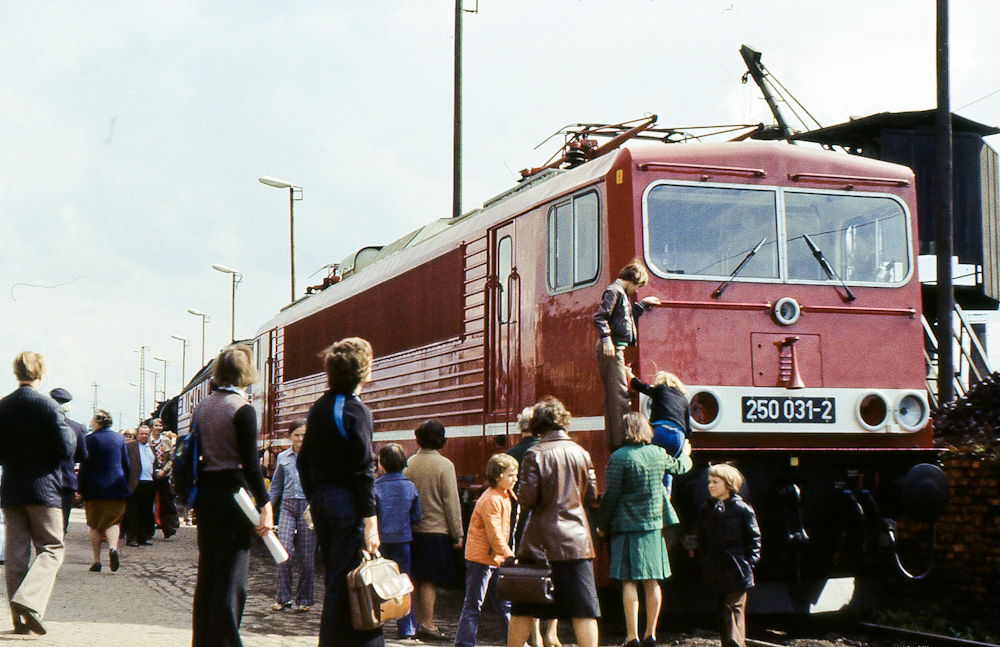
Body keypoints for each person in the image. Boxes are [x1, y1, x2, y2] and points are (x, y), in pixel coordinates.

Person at [297, 337, 381, 647]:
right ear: (364, 372)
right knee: (350, 584)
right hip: (347, 504)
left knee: (336, 578)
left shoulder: (318, 408)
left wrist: (315, 497)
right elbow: (363, 469)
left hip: (322, 500)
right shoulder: (356, 411)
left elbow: (304, 461)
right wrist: (370, 519)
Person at [190, 344, 273, 647]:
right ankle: (226, 641)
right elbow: (251, 465)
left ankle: (202, 641)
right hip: (234, 496)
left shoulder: (203, 407)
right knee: (232, 577)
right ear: (246, 372)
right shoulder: (242, 409)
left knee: (208, 575)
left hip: (206, 495)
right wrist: (265, 504)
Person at [506, 397, 600, 647]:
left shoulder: (534, 454)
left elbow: (527, 499)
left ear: (537, 424)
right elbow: (591, 496)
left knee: (523, 607)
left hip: (540, 542)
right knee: (585, 609)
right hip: (577, 542)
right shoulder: (581, 453)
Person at [595, 413, 693, 647]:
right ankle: (651, 634)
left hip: (625, 527)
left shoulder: (619, 457)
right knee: (652, 581)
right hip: (653, 526)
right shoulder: (658, 453)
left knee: (629, 582)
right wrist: (687, 455)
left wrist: (602, 527)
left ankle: (632, 637)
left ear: (626, 430)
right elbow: (680, 467)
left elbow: (611, 497)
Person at [0, 351, 76, 635]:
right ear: (40, 375)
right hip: (43, 488)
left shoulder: (3, 406)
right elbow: (65, 449)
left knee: (16, 554)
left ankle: (17, 621)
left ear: (16, 373)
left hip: (11, 488)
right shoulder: (49, 406)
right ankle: (28, 601)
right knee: (52, 547)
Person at [404, 419, 464, 642]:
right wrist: (457, 532)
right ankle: (428, 624)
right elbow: (451, 501)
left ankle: (418, 622)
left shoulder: (409, 463)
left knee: (417, 578)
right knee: (429, 580)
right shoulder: (445, 465)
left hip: (413, 530)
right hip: (436, 530)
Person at [505, 407, 559, 647]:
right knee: (553, 577)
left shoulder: (513, 453)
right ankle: (552, 633)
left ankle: (535, 635)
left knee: (532, 578)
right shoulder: (553, 452)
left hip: (525, 523)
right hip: (554, 523)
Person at [594, 259, 661, 449]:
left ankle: (619, 439)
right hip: (612, 347)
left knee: (617, 392)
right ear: (633, 280)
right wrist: (607, 340)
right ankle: (623, 441)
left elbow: (621, 318)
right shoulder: (614, 291)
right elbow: (600, 317)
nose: (636, 289)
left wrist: (640, 306)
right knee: (619, 393)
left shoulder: (619, 292)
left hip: (615, 346)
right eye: (638, 285)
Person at [455, 453, 518, 647]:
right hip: (482, 558)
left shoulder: (505, 495)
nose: (515, 479)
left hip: (495, 557)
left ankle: (515, 641)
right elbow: (494, 533)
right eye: (511, 475)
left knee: (504, 603)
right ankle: (464, 643)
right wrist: (509, 554)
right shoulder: (492, 499)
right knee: (474, 603)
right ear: (498, 476)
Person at [696, 464, 761, 647]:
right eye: (710, 482)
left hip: (738, 568)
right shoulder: (706, 509)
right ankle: (728, 642)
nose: (710, 485)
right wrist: (705, 557)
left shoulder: (742, 509)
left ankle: (735, 643)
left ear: (729, 485)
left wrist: (750, 562)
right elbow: (701, 536)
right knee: (722, 607)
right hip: (716, 568)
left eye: (715, 482)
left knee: (734, 607)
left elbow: (754, 538)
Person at [374, 443, 421, 641]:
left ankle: (376, 625)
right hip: (402, 540)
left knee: (377, 583)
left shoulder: (375, 487)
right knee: (403, 581)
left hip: (380, 541)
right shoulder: (409, 486)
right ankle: (407, 628)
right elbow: (417, 516)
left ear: (381, 465)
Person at [269, 418, 316, 613]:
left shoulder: (316, 457)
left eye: (304, 435)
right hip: (287, 506)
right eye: (296, 435)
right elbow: (275, 487)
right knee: (284, 551)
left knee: (306, 556)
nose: (300, 439)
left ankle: (304, 599)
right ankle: (283, 597)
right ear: (290, 436)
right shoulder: (283, 458)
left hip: (308, 508)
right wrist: (267, 509)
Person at [77, 409, 131, 573]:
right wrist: (125, 483)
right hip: (116, 486)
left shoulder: (90, 440)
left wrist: (80, 488)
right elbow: (126, 465)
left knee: (95, 524)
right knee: (113, 521)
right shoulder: (119, 438)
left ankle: (96, 560)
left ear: (98, 422)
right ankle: (113, 548)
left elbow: (84, 467)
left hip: (95, 488)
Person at [49, 388, 88, 535]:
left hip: (44, 479)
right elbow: (82, 456)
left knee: (45, 522)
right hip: (65, 480)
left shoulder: (40, 424)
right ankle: (58, 551)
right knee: (62, 520)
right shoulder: (76, 427)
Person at [124, 423, 156, 546]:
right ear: (137, 434)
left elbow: (154, 462)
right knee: (133, 511)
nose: (144, 436)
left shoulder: (150, 447)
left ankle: (143, 537)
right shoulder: (130, 446)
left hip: (149, 482)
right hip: (135, 482)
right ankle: (131, 538)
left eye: (146, 434)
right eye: (141, 434)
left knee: (146, 511)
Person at [148, 418, 179, 539]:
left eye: (160, 426)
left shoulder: (166, 441)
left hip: (162, 474)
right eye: (156, 425)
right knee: (148, 502)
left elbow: (172, 458)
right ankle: (148, 529)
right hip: (149, 475)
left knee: (166, 501)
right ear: (151, 427)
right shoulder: (147, 440)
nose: (159, 428)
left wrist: (164, 470)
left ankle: (167, 528)